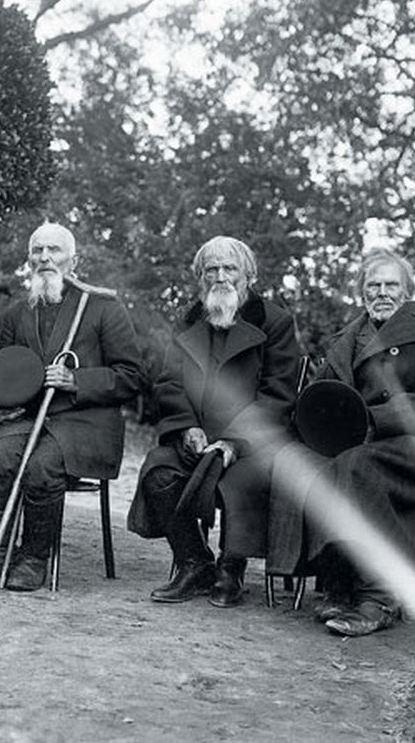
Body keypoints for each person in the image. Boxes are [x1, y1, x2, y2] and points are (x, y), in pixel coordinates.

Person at [268, 248, 415, 636]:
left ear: (407, 290)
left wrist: (372, 420)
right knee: (295, 459)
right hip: (351, 441)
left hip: (409, 444)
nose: (382, 293)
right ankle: (336, 581)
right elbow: (321, 397)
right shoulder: (345, 339)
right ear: (362, 292)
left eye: (391, 285)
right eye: (373, 285)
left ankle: (380, 597)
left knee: (355, 466)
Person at [126, 236, 299, 607]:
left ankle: (231, 567)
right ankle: (195, 562)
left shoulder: (276, 322)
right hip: (198, 438)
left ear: (249, 275)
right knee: (158, 473)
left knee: (241, 480)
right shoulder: (190, 321)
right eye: (211, 270)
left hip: (254, 442)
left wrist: (234, 441)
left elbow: (278, 394)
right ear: (200, 277)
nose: (220, 277)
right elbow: (169, 382)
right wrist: (186, 425)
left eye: (229, 269)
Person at [0, 222, 142, 591]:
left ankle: (34, 557)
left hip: (84, 424)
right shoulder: (17, 313)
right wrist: (1, 406)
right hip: (29, 418)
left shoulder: (102, 308)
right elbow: (1, 374)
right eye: (37, 250)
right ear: (29, 260)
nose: (45, 257)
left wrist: (76, 380)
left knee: (42, 465)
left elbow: (132, 376)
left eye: (54, 250)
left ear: (73, 261)